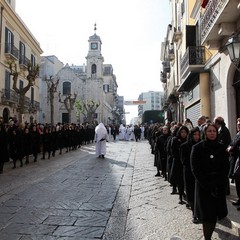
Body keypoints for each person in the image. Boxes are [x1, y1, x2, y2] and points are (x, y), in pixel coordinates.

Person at [191, 123, 229, 240]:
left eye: (214, 131)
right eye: (209, 131)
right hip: (204, 187)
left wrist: (219, 182)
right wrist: (207, 184)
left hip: (218, 186)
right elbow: (195, 168)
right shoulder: (197, 148)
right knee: (207, 216)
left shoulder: (221, 148)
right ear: (205, 133)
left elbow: (225, 167)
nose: (212, 133)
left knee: (215, 214)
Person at [180, 127, 201, 223]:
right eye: (194, 134)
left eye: (198, 134)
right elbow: (183, 161)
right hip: (189, 172)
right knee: (191, 192)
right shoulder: (184, 146)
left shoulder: (202, 145)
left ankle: (199, 211)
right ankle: (194, 213)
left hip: (200, 174)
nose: (196, 136)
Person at [170, 125, 189, 204]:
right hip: (178, 163)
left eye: (185, 132)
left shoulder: (188, 141)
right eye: (182, 132)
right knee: (179, 180)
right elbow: (173, 152)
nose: (183, 134)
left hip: (186, 164)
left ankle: (185, 195)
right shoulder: (175, 140)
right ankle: (180, 196)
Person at [227, 118, 240, 210]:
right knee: (237, 182)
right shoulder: (237, 134)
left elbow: (234, 145)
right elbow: (232, 143)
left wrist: (232, 148)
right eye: (238, 124)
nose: (238, 125)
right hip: (235, 160)